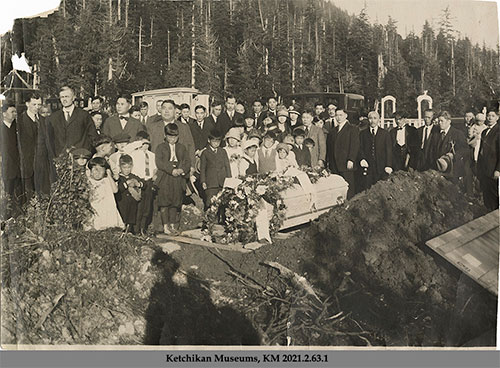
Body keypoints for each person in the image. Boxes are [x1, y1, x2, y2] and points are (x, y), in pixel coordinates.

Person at [155, 123, 191, 235]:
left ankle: (172, 225)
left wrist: (181, 170)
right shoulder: (160, 147)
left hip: (178, 178)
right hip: (165, 177)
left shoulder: (181, 147)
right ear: (165, 135)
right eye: (170, 137)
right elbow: (160, 162)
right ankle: (165, 226)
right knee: (165, 201)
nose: (172, 139)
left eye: (175, 137)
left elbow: (187, 161)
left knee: (175, 201)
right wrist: (171, 170)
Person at [47, 86, 98, 156]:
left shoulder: (83, 115)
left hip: (80, 157)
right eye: (62, 97)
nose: (64, 99)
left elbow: (93, 136)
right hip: (60, 159)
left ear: (73, 98)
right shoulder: (53, 118)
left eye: (67, 96)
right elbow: (50, 140)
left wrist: (86, 153)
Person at [326, 108, 359, 199]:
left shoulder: (352, 129)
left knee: (348, 186)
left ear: (346, 116)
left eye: (341, 115)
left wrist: (351, 159)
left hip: (346, 163)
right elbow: (329, 148)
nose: (338, 117)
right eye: (337, 115)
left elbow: (354, 146)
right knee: (337, 187)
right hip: (334, 164)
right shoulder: (333, 131)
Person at [130, 131, 157, 235]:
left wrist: (154, 175)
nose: (145, 146)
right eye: (143, 143)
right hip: (138, 181)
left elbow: (154, 169)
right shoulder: (134, 154)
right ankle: (136, 229)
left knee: (147, 206)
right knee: (139, 206)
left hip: (148, 182)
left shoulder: (152, 155)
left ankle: (143, 228)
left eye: (147, 144)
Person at [85, 157, 124, 230]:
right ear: (90, 171)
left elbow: (115, 190)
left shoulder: (107, 180)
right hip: (95, 210)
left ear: (105, 171)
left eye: (101, 170)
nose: (97, 172)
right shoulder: (89, 182)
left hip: (107, 210)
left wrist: (109, 175)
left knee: (109, 229)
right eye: (94, 170)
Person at [17, 93, 42, 201]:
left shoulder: (43, 120)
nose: (37, 107)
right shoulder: (20, 121)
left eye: (39, 104)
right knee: (27, 195)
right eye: (34, 104)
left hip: (40, 164)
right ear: (27, 104)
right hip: (26, 164)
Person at [359, 111, 393, 190]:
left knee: (381, 189)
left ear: (379, 120)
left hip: (381, 166)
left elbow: (389, 150)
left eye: (375, 118)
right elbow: (360, 148)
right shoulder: (363, 133)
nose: (373, 121)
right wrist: (362, 159)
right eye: (370, 118)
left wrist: (388, 165)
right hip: (368, 166)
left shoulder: (385, 134)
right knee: (367, 188)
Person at [200, 130, 231, 210]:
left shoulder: (223, 151)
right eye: (214, 141)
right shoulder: (205, 153)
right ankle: (209, 220)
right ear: (209, 140)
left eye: (218, 141)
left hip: (222, 181)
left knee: (223, 202)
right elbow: (203, 168)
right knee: (210, 202)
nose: (216, 143)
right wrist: (203, 181)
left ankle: (221, 220)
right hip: (211, 183)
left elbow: (227, 166)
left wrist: (229, 179)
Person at [433, 111, 467, 184]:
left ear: (449, 121)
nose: (439, 123)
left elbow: (465, 150)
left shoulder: (457, 134)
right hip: (439, 169)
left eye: (442, 121)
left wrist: (454, 155)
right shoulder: (436, 134)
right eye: (439, 121)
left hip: (452, 170)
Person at [1, 102, 21, 216]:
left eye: (15, 112)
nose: (14, 114)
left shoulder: (17, 128)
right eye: (11, 112)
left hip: (18, 168)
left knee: (18, 195)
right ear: (4, 114)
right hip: (6, 168)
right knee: (7, 195)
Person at [477, 110, 499, 210]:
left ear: (497, 118)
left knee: (493, 194)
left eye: (492, 116)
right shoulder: (484, 132)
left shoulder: (498, 131)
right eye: (488, 116)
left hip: (493, 168)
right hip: (484, 168)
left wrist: (498, 170)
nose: (490, 118)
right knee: (486, 194)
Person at [115, 154, 144, 233]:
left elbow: (144, 183)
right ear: (120, 167)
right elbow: (118, 189)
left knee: (131, 220)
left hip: (132, 203)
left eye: (129, 167)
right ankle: (122, 234)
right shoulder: (118, 178)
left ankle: (130, 233)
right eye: (124, 168)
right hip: (122, 203)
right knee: (123, 219)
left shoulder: (133, 176)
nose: (127, 170)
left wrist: (138, 184)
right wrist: (126, 183)